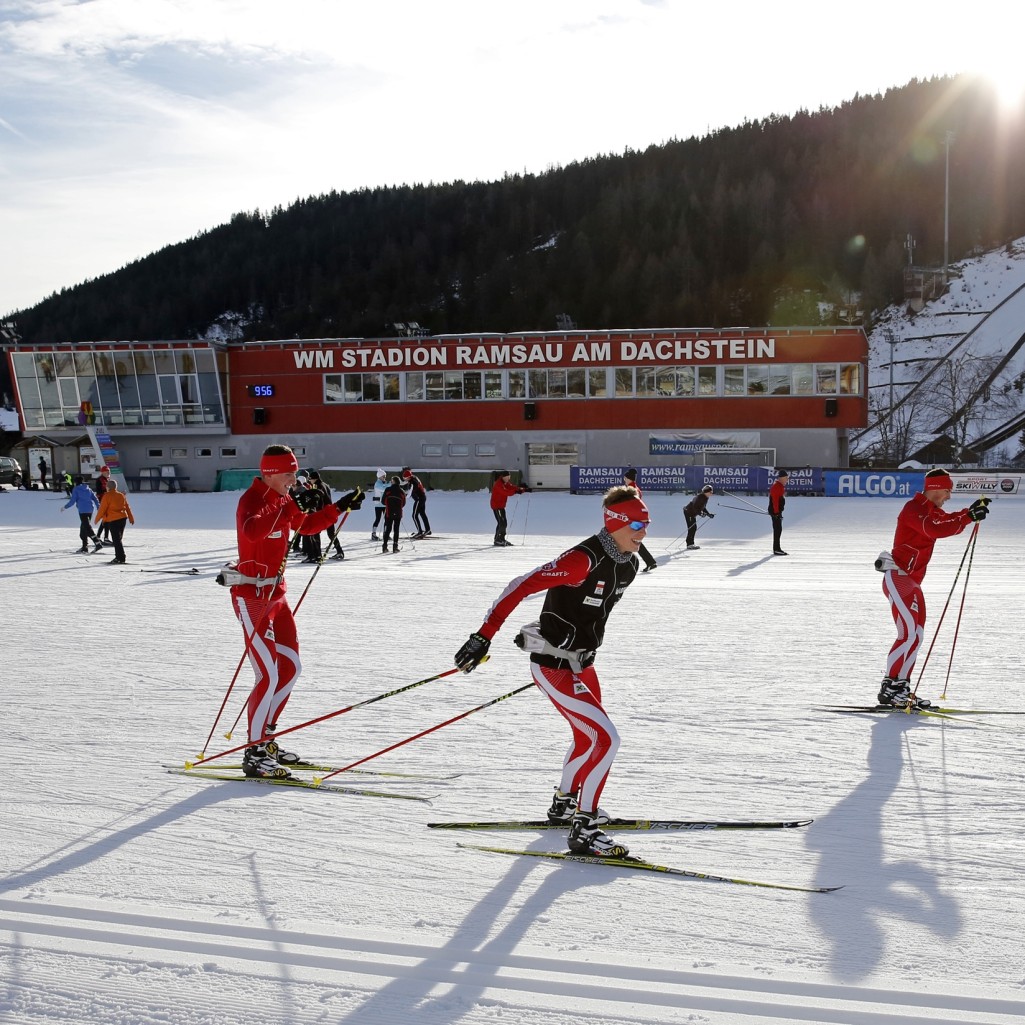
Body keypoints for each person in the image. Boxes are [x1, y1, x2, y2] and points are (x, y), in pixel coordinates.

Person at [453, 484, 650, 859]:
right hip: (553, 666)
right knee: (606, 739)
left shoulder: (629, 564)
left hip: (583, 663)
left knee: (586, 736)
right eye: (637, 524)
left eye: (646, 524)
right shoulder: (581, 559)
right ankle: (585, 828)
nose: (644, 531)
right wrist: (483, 636)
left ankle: (565, 804)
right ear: (615, 524)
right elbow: (521, 586)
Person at [229, 444, 364, 778]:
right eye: (289, 473)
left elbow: (305, 526)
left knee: (290, 668)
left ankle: (268, 740)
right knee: (267, 673)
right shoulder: (252, 500)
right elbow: (252, 530)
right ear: (271, 473)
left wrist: (339, 508)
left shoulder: (283, 499)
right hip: (252, 595)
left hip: (278, 596)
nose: (294, 478)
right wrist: (286, 507)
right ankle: (254, 752)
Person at [877, 468, 990, 709]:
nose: (949, 495)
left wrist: (970, 513)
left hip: (913, 582)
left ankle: (902, 688)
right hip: (898, 577)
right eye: (948, 490)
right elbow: (935, 529)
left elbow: (945, 522)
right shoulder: (913, 509)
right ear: (935, 488)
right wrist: (968, 517)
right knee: (907, 634)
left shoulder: (932, 511)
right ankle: (890, 688)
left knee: (916, 636)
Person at [93, 479, 135, 564]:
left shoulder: (107, 496)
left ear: (107, 487)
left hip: (113, 520)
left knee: (116, 540)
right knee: (118, 539)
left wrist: (97, 519)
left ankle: (120, 557)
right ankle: (120, 556)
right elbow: (127, 507)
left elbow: (102, 509)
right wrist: (131, 518)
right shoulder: (121, 495)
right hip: (123, 519)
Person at [623, 469, 657, 571]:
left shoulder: (631, 489)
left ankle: (625, 566)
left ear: (629, 478)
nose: (624, 480)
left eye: (625, 478)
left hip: (633, 519)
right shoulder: (635, 488)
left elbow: (630, 504)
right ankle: (650, 562)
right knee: (633, 540)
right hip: (636, 518)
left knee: (627, 540)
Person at [490, 469, 530, 546]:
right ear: (503, 477)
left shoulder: (505, 483)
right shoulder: (498, 484)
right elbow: (506, 492)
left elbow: (512, 487)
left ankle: (501, 539)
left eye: (509, 476)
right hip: (496, 506)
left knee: (504, 523)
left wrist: (522, 489)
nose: (509, 478)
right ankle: (497, 540)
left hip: (501, 506)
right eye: (507, 477)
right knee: (501, 523)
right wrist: (515, 492)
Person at [309, 471, 345, 560]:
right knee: (331, 533)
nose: (310, 481)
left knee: (315, 533)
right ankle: (339, 551)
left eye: (310, 479)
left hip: (322, 513)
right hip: (330, 511)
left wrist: (316, 511)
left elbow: (319, 500)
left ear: (314, 479)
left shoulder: (317, 486)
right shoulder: (325, 485)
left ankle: (317, 555)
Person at [62, 475, 102, 552]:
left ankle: (97, 543)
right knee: (83, 528)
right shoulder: (88, 489)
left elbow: (72, 501)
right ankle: (84, 547)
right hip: (90, 509)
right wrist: (98, 506)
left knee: (87, 527)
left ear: (75, 482)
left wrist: (65, 507)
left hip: (83, 510)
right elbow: (95, 498)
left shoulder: (76, 489)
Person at [401, 467, 432, 538]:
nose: (404, 479)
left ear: (408, 477)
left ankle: (420, 531)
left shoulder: (413, 483)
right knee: (422, 514)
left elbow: (409, 494)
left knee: (414, 516)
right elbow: (405, 483)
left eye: (405, 478)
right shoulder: (413, 478)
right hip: (422, 497)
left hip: (419, 499)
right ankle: (428, 530)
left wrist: (403, 495)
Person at [683, 484, 714, 549]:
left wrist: (708, 514)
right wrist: (701, 514)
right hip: (689, 512)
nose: (711, 494)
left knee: (693, 527)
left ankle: (690, 543)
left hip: (692, 513)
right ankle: (689, 544)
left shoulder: (705, 497)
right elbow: (695, 507)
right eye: (710, 492)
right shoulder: (701, 497)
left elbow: (703, 507)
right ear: (706, 492)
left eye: (712, 492)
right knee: (692, 527)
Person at [381, 474, 406, 553]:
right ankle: (395, 547)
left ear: (393, 482)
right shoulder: (402, 491)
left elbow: (383, 501)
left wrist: (388, 504)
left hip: (389, 512)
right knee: (396, 530)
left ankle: (384, 546)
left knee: (388, 529)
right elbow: (404, 503)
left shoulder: (388, 490)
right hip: (398, 512)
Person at [768, 469, 789, 555]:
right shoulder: (777, 487)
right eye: (786, 478)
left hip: (777, 511)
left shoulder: (780, 486)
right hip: (775, 511)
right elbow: (775, 501)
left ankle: (777, 548)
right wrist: (776, 513)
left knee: (778, 529)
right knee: (777, 529)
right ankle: (776, 548)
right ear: (781, 478)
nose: (787, 480)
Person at [94, 466, 112, 544]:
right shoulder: (99, 480)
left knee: (106, 519)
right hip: (103, 501)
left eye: (108, 471)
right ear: (102, 472)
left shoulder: (107, 479)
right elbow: (99, 492)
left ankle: (100, 537)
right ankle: (105, 538)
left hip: (107, 501)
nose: (108, 473)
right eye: (106, 471)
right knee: (106, 519)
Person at [370, 469, 388, 541]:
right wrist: (390, 484)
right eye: (383, 476)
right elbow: (383, 489)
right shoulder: (377, 484)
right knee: (378, 519)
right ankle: (373, 534)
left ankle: (386, 533)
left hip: (384, 504)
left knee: (387, 519)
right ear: (379, 476)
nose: (384, 477)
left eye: (385, 476)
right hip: (378, 505)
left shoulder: (384, 483)